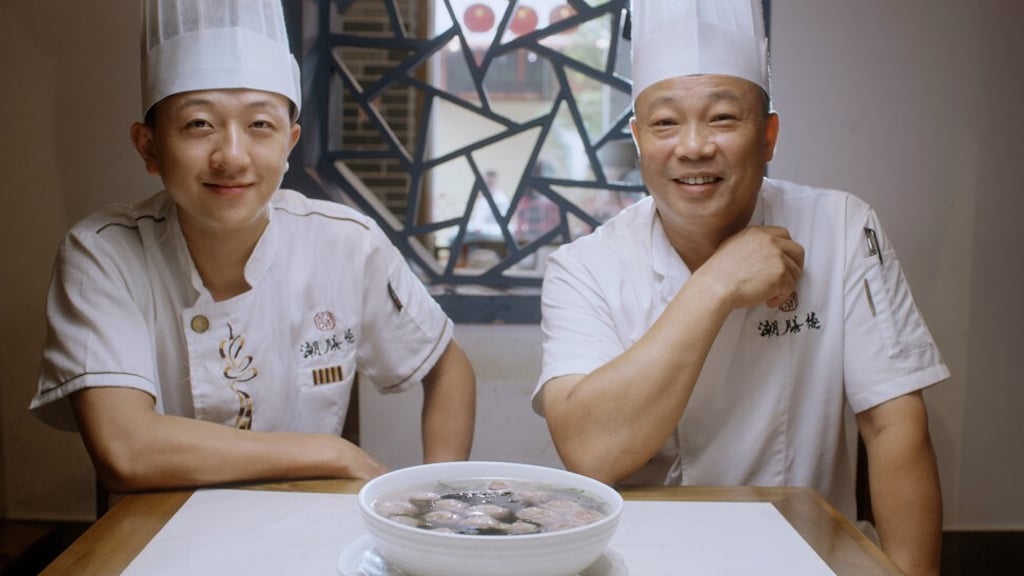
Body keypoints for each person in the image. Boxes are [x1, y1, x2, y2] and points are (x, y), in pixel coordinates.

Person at [531, 1, 945, 574]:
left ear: (769, 135)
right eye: (665, 123)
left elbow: (893, 424)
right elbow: (590, 452)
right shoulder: (585, 267)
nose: (694, 147)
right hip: (640, 562)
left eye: (723, 118)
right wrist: (717, 284)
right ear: (638, 139)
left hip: (804, 558)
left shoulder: (842, 227)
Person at [28, 0, 475, 494]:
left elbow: (446, 365)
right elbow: (127, 449)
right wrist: (332, 452)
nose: (232, 156)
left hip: (306, 528)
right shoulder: (101, 254)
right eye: (200, 124)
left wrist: (442, 497)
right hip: (159, 542)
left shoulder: (345, 242)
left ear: (290, 142)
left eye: (260, 125)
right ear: (149, 147)